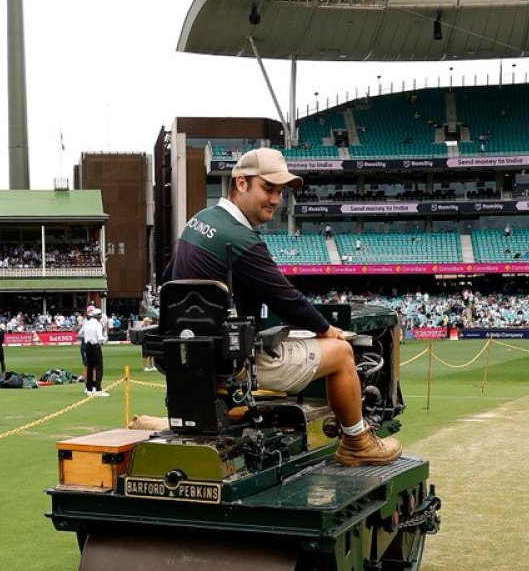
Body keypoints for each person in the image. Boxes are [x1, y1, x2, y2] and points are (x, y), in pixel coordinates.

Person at [161, 147, 401, 467]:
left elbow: (168, 284)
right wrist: (328, 330)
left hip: (193, 357)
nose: (276, 200)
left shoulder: (198, 222)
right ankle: (357, 442)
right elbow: (287, 300)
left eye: (280, 192)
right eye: (268, 189)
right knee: (341, 353)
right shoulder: (240, 239)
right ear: (242, 183)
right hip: (235, 363)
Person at [79, 307, 109, 397]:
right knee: (99, 368)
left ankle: (89, 389)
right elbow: (100, 338)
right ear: (99, 317)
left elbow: (80, 333)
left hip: (87, 346)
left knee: (90, 368)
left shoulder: (87, 323)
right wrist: (105, 339)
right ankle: (98, 389)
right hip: (95, 346)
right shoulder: (98, 325)